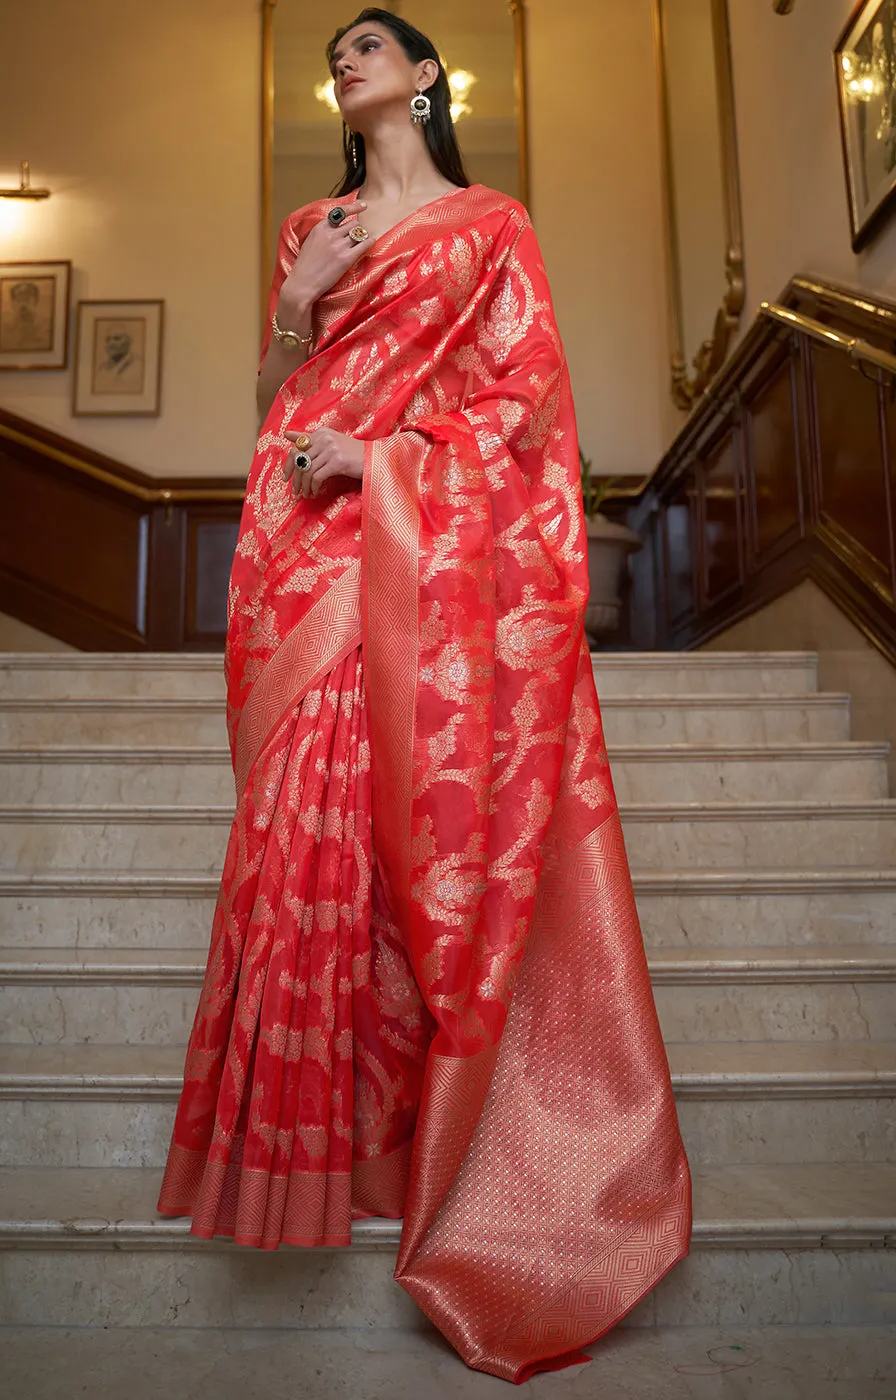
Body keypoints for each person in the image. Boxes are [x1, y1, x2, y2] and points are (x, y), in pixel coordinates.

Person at [158, 7, 690, 1380]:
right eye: (331, 50)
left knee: (403, 837)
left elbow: (523, 411)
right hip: (302, 552)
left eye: (370, 44)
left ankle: (429, 1153)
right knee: (298, 829)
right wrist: (296, 300)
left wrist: (382, 453)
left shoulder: (492, 227)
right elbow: (274, 401)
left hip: (406, 543)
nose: (345, 59)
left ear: (426, 75)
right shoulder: (310, 231)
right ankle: (290, 1157)